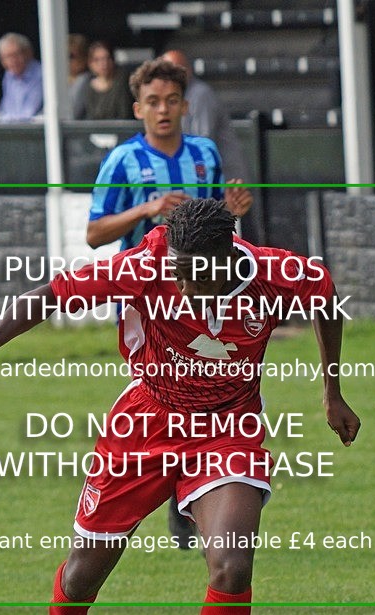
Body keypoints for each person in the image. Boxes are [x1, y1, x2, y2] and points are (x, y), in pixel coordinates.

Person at [0, 197, 360, 615]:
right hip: (144, 423)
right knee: (82, 572)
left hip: (228, 427)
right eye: (175, 266)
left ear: (226, 260)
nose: (180, 279)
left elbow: (325, 297)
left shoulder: (277, 272)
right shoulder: (146, 267)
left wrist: (331, 391)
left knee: (232, 563)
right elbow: (48, 294)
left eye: (193, 272)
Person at [86, 57, 253, 546]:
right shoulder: (122, 161)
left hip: (204, 293)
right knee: (164, 396)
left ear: (185, 105)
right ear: (138, 108)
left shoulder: (204, 152)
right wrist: (147, 208)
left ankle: (191, 493)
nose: (163, 110)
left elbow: (213, 224)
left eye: (172, 101)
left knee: (207, 393)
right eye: (153, 102)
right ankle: (170, 493)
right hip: (146, 303)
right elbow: (95, 233)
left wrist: (232, 209)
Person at [162, 49, 263, 242]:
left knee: (239, 240)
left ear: (188, 70)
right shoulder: (175, 98)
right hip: (210, 182)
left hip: (228, 182)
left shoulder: (199, 94)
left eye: (177, 69)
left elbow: (202, 144)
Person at [78, 41, 133, 120]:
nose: (104, 63)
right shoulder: (87, 86)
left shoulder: (122, 81)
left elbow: (125, 114)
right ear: (90, 63)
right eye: (97, 60)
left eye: (107, 58)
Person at [0, 32, 43, 122]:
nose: (13, 60)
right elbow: (5, 111)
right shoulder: (9, 75)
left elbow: (29, 113)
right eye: (7, 57)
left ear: (29, 53)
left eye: (16, 54)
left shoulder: (41, 74)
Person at [67, 33, 90, 120]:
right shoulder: (60, 80)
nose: (66, 60)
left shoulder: (86, 80)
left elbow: (72, 113)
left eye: (71, 56)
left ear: (84, 57)